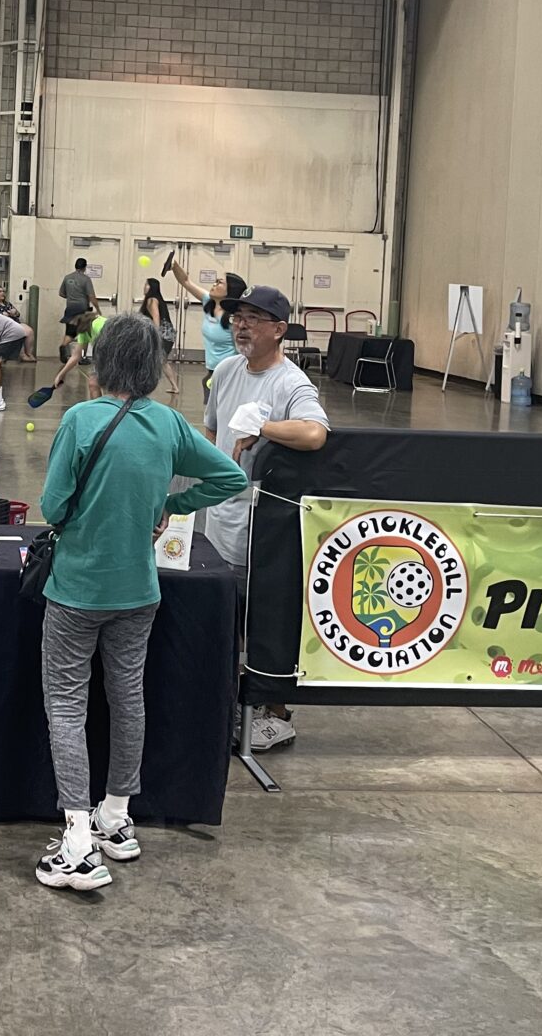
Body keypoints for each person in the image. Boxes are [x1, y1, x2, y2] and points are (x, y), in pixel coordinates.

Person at [32, 314, 249, 891]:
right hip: (138, 591)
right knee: (127, 697)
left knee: (66, 705)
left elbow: (53, 509)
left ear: (101, 361)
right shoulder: (170, 426)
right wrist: (171, 507)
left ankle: (76, 837)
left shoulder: (80, 420)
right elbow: (230, 478)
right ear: (155, 368)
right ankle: (116, 816)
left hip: (77, 589)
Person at [201, 284, 330, 751]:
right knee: (223, 620)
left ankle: (276, 714)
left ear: (279, 330)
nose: (241, 324)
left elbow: (315, 433)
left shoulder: (290, 382)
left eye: (255, 318)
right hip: (218, 518)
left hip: (259, 527)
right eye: (238, 316)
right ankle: (231, 707)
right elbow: (213, 427)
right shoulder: (228, 370)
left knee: (261, 623)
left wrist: (265, 427)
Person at [170, 259, 247, 404]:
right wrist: (174, 266)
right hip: (211, 372)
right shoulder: (209, 302)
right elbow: (186, 281)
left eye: (219, 283)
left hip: (230, 374)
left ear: (230, 291)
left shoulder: (235, 318)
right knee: (211, 417)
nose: (214, 285)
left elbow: (244, 350)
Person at [45, 308, 107, 401]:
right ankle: (97, 411)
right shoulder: (84, 331)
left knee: (111, 389)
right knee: (93, 384)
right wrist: (61, 375)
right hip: (105, 357)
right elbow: (76, 356)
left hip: (118, 355)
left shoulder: (98, 324)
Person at [137, 278, 181, 398]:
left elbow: (156, 318)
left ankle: (143, 384)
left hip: (162, 334)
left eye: (146, 284)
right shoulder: (156, 299)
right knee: (162, 361)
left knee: (157, 360)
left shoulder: (152, 300)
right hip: (167, 333)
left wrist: (155, 336)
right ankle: (174, 386)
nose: (144, 287)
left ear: (152, 287)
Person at [58, 258, 98, 362]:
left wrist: (72, 297)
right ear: (85, 267)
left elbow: (61, 293)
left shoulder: (67, 278)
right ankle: (83, 357)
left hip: (70, 309)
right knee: (84, 334)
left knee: (70, 332)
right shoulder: (86, 279)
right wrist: (97, 308)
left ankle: (63, 346)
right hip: (82, 310)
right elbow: (91, 296)